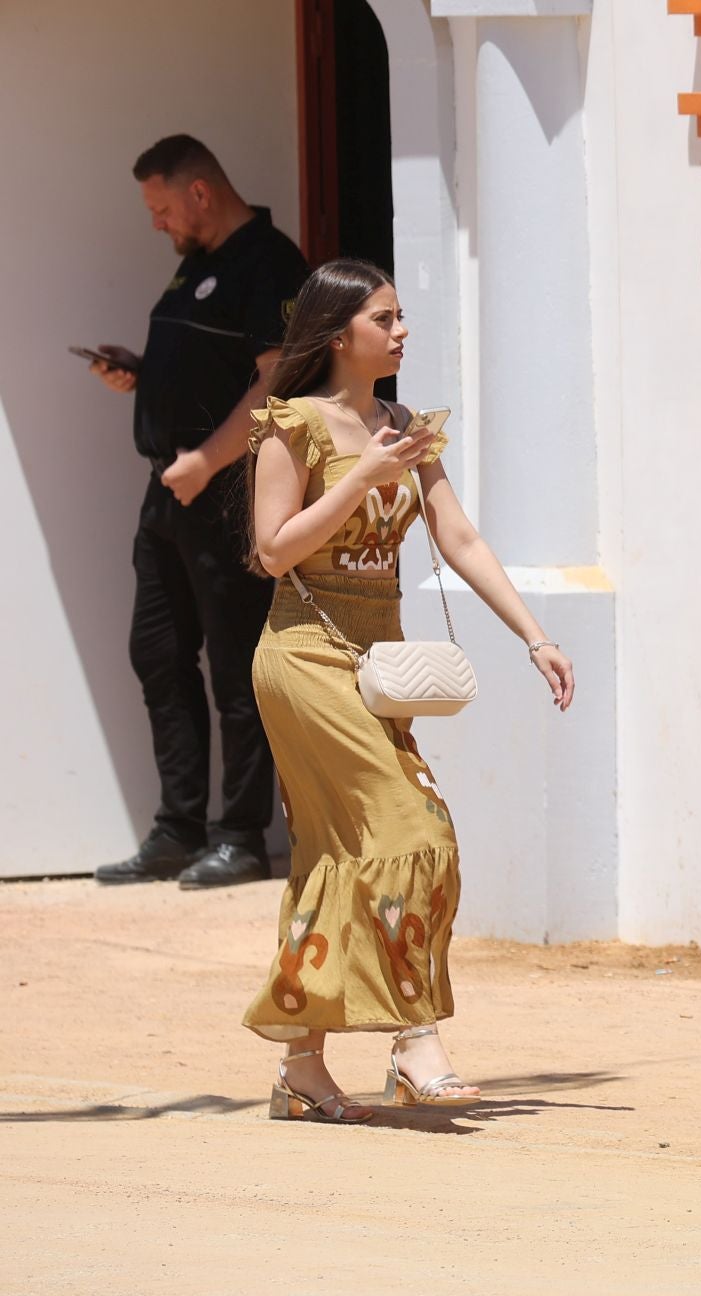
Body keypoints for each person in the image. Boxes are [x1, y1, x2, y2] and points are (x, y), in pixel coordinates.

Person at [239, 258, 576, 1122]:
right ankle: (414, 1036)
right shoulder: (291, 425)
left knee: (332, 850)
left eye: (400, 317)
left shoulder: (405, 424)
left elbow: (457, 536)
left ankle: (301, 1067)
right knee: (412, 826)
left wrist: (533, 635)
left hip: (376, 663)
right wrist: (357, 476)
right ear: (338, 332)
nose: (400, 332)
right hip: (305, 657)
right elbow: (272, 552)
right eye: (384, 319)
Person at [92, 135, 309, 890]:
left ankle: (241, 836)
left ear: (200, 194)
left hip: (224, 491)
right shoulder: (197, 265)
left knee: (235, 663)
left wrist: (209, 461)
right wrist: (144, 377)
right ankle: (177, 829)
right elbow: (205, 370)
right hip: (169, 491)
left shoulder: (270, 261)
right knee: (157, 654)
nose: (156, 224)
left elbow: (276, 384)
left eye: (160, 209)